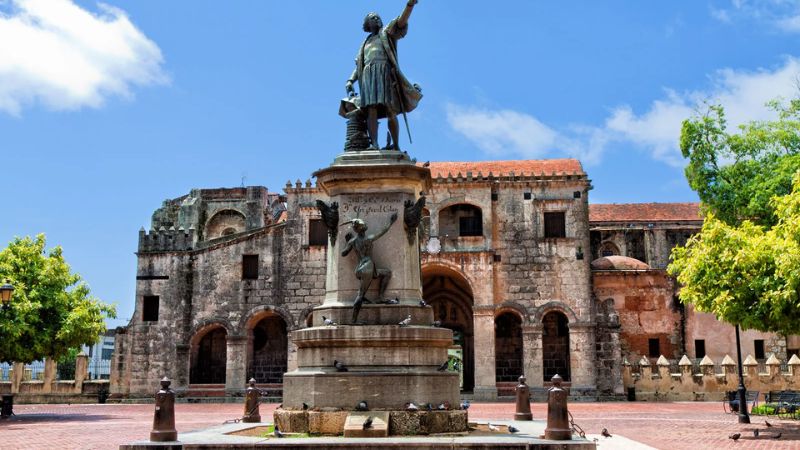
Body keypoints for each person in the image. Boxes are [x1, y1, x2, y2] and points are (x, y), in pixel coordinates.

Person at [345, 0, 422, 150]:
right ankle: (374, 144)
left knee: (390, 109)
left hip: (384, 73)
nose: (377, 18)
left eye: (378, 17)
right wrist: (350, 80)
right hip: (368, 75)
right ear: (368, 24)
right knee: (371, 109)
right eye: (373, 17)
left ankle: (396, 145)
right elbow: (359, 64)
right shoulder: (365, 43)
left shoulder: (386, 33)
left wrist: (409, 5)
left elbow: (401, 21)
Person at [341, 213, 398, 323]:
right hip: (368, 267)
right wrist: (391, 222)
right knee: (361, 295)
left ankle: (380, 296)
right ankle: (353, 321)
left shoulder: (353, 241)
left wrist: (348, 242)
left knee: (387, 273)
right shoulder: (369, 239)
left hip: (361, 268)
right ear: (363, 229)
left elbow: (343, 253)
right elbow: (383, 231)